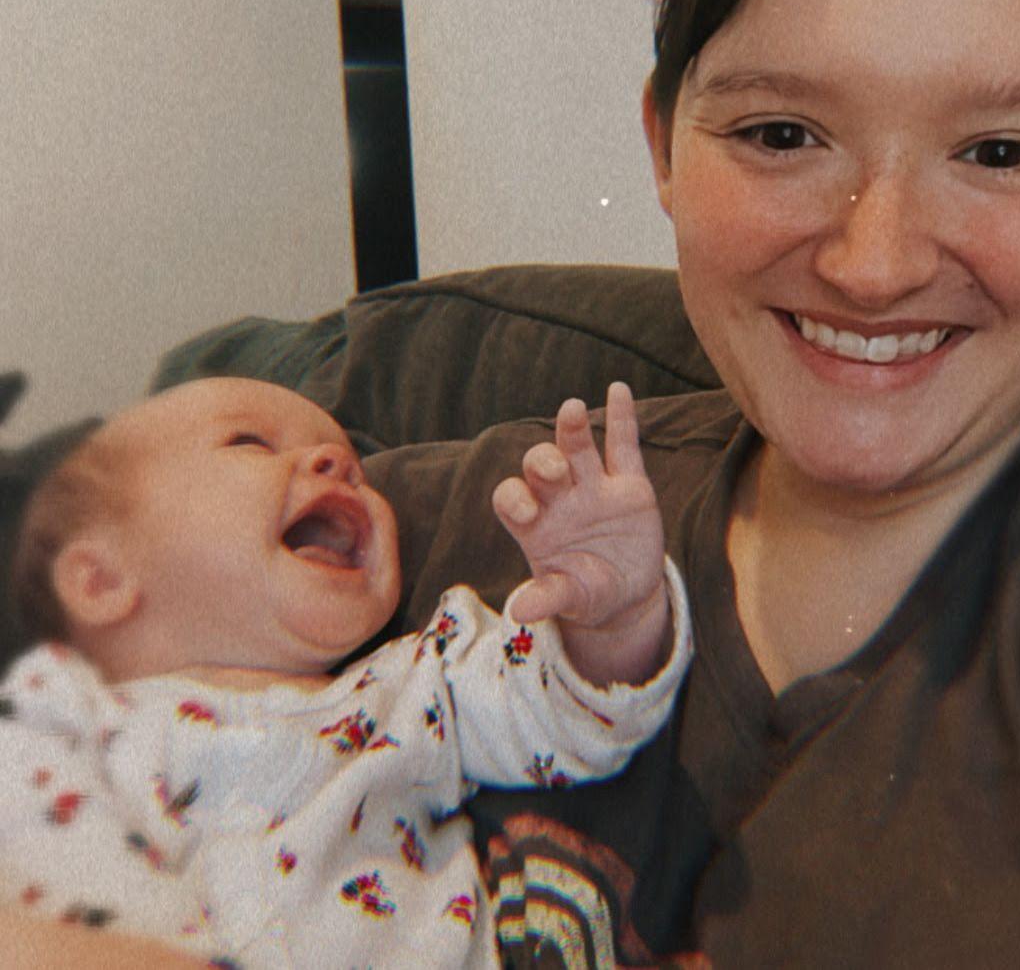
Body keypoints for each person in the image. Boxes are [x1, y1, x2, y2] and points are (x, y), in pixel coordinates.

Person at [353, 0, 1020, 966]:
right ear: (664, 143)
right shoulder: (445, 530)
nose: (874, 265)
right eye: (780, 135)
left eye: (1003, 151)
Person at [0, 377, 691, 969]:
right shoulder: (59, 715)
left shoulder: (416, 684)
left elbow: (559, 715)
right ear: (100, 580)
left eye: (356, 466)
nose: (338, 462)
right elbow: (53, 881)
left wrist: (610, 620)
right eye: (250, 442)